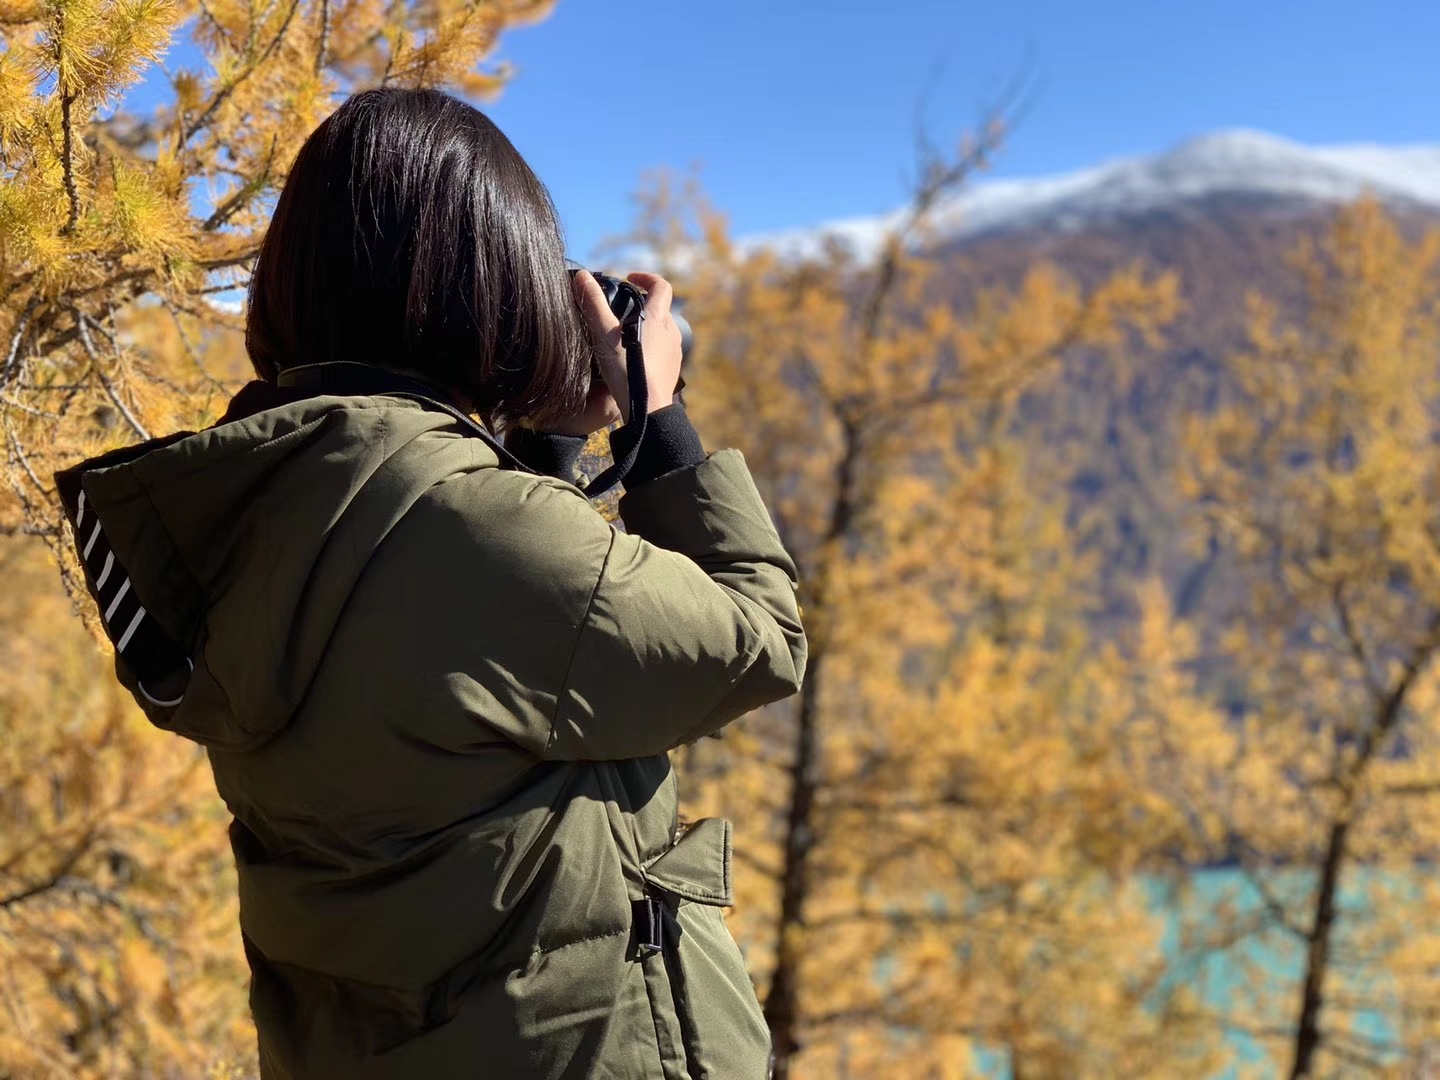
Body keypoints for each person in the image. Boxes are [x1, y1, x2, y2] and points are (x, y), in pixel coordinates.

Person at [53, 87, 806, 1079]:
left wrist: (549, 443)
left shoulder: (265, 510)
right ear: (485, 289)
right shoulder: (477, 530)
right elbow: (761, 639)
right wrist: (659, 420)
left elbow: (483, 660)